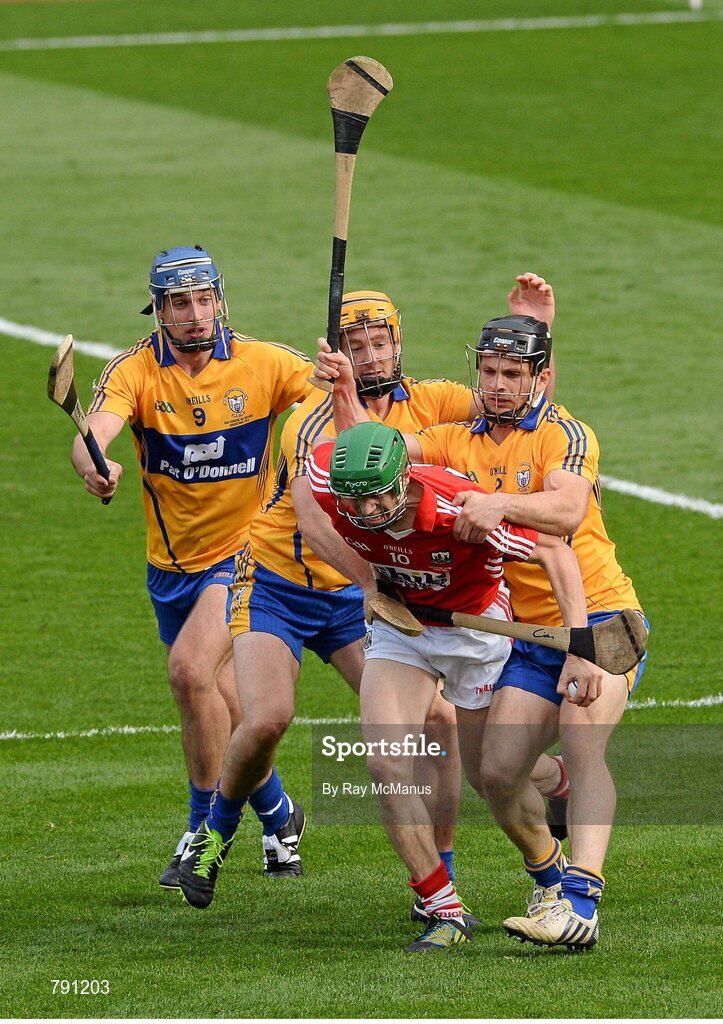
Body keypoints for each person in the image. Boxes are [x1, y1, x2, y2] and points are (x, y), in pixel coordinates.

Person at [176, 289, 481, 911]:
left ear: (398, 342)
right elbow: (314, 524)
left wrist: (538, 326)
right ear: (337, 353)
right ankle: (215, 833)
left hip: (354, 595)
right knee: (268, 717)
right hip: (278, 583)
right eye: (356, 346)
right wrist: (374, 583)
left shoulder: (434, 402)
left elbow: (511, 412)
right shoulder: (308, 422)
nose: (370, 357)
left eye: (380, 343)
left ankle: (441, 873)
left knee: (436, 722)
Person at [402, 314, 649, 950]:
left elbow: (566, 510)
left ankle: (581, 905)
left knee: (584, 741)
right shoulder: (457, 440)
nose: (497, 385)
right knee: (496, 772)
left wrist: (499, 504)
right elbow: (385, 451)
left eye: (512, 373)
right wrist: (345, 392)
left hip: (601, 621)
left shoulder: (565, 434)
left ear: (540, 377)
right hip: (531, 634)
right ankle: (549, 867)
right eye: (489, 371)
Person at [72, 245, 314, 887]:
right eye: (180, 303)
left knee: (187, 672)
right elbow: (92, 433)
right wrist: (96, 465)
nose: (195, 314)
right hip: (171, 566)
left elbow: (332, 399)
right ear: (159, 310)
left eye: (204, 300)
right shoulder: (136, 370)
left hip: (246, 554)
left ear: (219, 300)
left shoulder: (263, 362)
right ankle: (279, 814)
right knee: (225, 706)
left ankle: (202, 828)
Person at [305, 421, 590, 952]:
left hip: (473, 633)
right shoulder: (328, 478)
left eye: (377, 497)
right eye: (354, 501)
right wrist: (368, 582)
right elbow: (306, 499)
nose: (366, 511)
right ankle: (444, 908)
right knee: (386, 763)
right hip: (402, 628)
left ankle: (552, 861)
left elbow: (556, 552)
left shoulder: (458, 511)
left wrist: (579, 643)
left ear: (403, 478)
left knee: (492, 776)